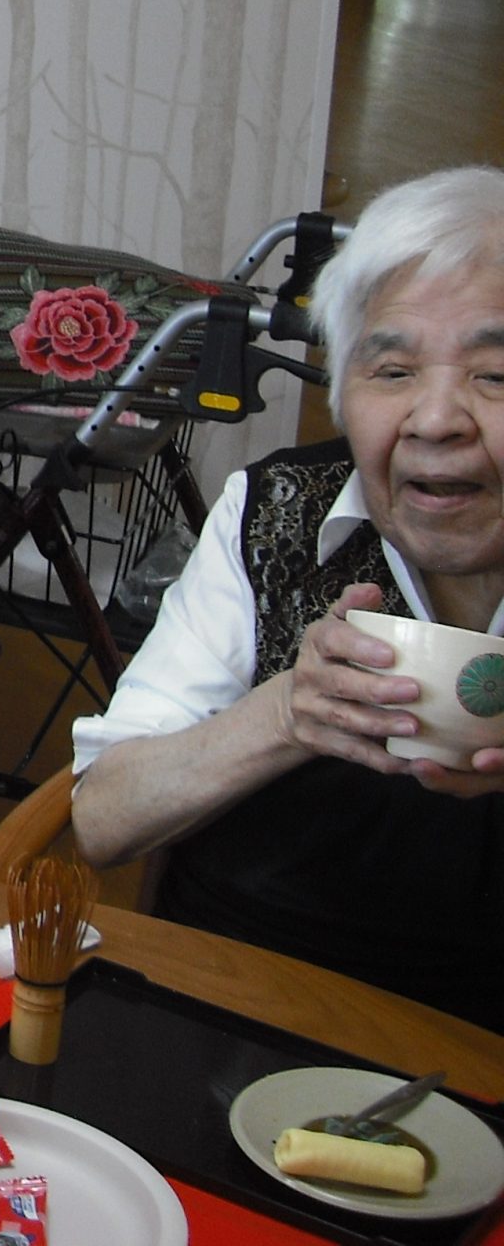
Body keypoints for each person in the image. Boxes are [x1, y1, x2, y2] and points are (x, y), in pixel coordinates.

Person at [70, 165, 504, 1030]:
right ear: (342, 393)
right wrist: (289, 713)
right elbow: (103, 819)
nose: (435, 420)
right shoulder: (273, 515)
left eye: (495, 375)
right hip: (230, 1012)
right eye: (392, 371)